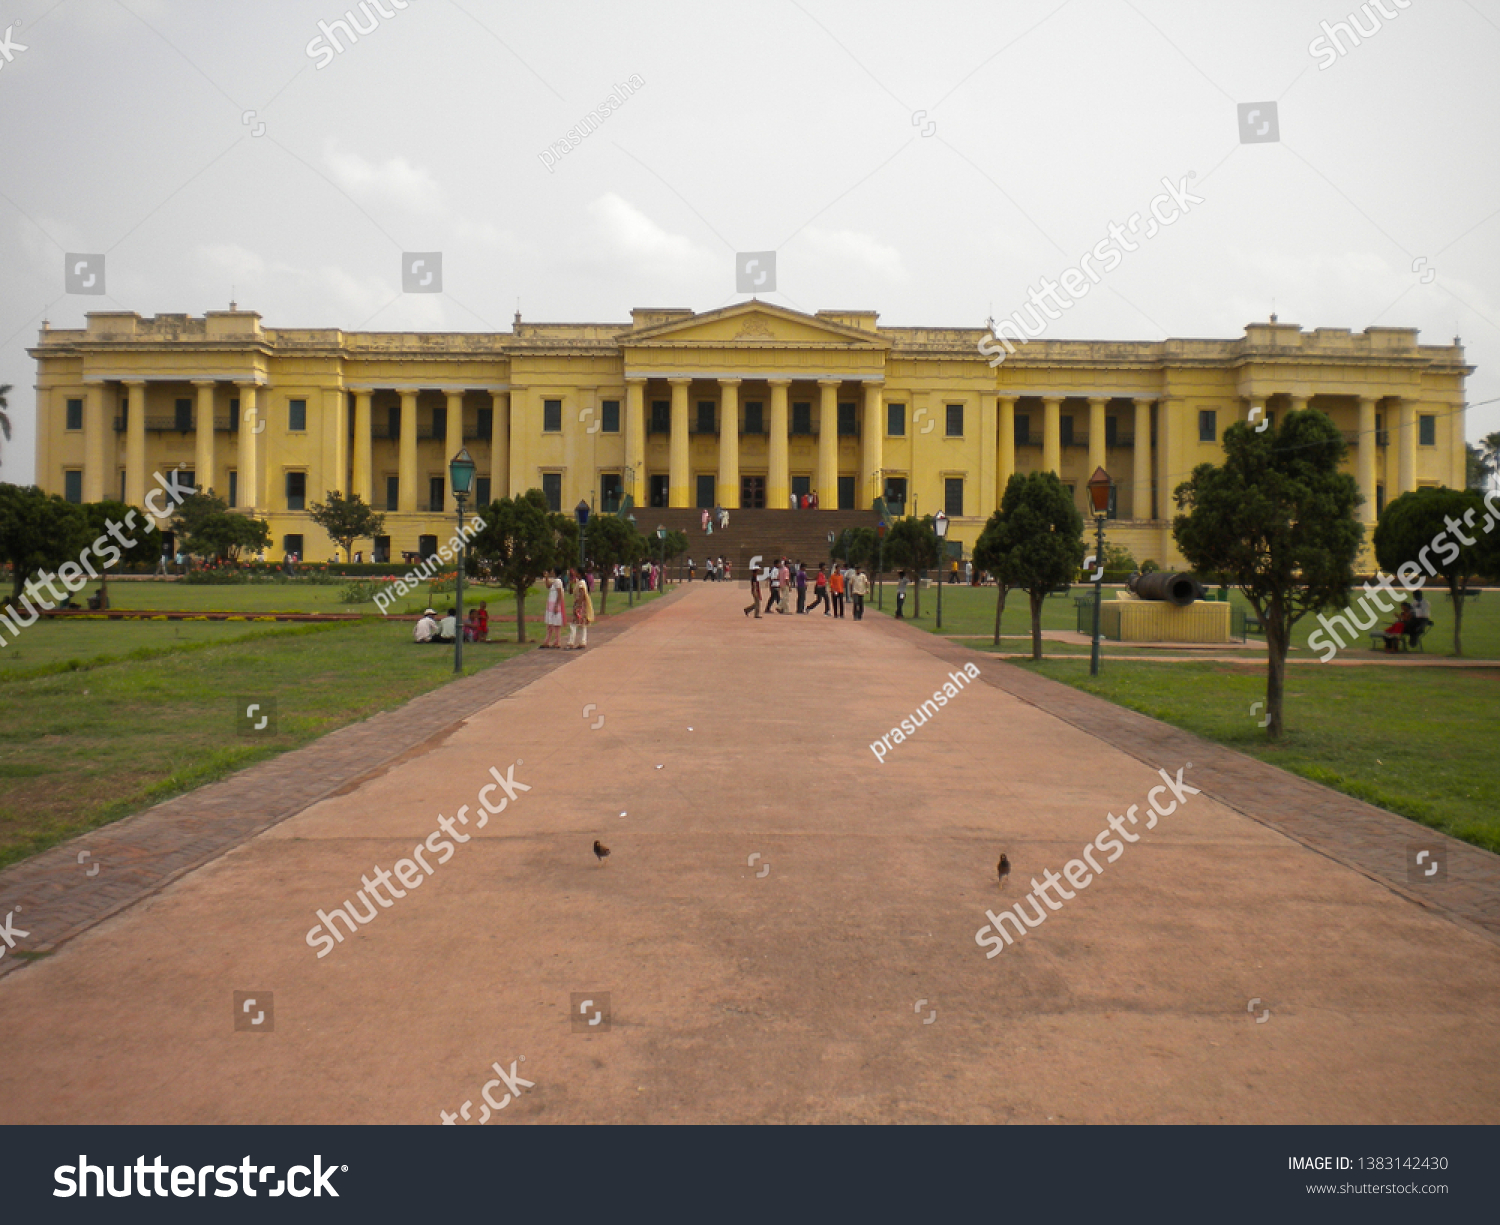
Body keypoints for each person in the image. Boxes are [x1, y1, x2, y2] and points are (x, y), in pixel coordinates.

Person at [567, 567, 595, 649]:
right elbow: (570, 592)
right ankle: (583, 641)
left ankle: (571, 642)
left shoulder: (582, 582)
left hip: (580, 604)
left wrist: (578, 606)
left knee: (574, 624)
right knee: (582, 624)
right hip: (581, 604)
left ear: (579, 573)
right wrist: (571, 584)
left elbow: (582, 594)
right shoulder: (578, 582)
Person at [543, 567, 566, 648]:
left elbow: (560, 594)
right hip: (551, 604)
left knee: (556, 624)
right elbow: (548, 586)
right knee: (551, 623)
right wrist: (546, 577)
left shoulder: (558, 581)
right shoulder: (555, 581)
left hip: (554, 604)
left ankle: (557, 641)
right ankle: (548, 641)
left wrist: (557, 605)